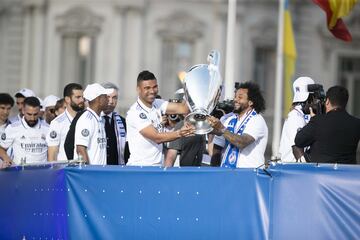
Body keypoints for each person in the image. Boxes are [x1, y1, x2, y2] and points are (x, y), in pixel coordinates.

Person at [126, 70, 194, 166]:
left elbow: (183, 109)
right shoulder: (135, 113)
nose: (152, 91)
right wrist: (179, 133)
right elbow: (157, 137)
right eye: (147, 88)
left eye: (155, 87)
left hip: (156, 167)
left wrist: (190, 86)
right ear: (138, 89)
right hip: (140, 168)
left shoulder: (157, 103)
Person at [208, 82, 268, 168]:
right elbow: (217, 149)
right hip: (227, 172)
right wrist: (214, 172)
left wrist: (221, 129)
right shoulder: (227, 119)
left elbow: (242, 142)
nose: (235, 100)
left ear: (250, 102)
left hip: (250, 174)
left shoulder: (257, 120)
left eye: (240, 97)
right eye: (235, 96)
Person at [295, 86, 360, 164]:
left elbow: (299, 141)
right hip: (347, 173)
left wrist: (313, 120)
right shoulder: (356, 123)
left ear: (327, 101)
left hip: (321, 173)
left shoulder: (318, 121)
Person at [0, 97, 49, 167]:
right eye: (29, 114)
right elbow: (1, 148)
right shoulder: (13, 128)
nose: (32, 118)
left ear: (39, 111)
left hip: (42, 173)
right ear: (23, 111)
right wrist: (7, 159)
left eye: (35, 114)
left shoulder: (47, 128)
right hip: (20, 173)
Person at [74, 83, 112, 165]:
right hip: (91, 174)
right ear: (99, 99)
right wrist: (88, 173)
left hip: (99, 173)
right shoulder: (86, 120)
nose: (108, 99)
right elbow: (80, 149)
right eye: (105, 96)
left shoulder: (100, 119)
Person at [278, 77, 314, 162]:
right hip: (293, 168)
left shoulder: (300, 114)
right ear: (309, 98)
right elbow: (297, 147)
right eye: (314, 97)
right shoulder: (296, 117)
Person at [46, 83, 84, 161]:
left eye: (82, 97)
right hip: (65, 171)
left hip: (84, 169)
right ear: (67, 99)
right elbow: (52, 153)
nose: (82, 100)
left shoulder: (87, 119)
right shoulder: (57, 123)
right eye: (78, 97)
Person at [101, 82, 130, 165]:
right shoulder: (92, 120)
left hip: (116, 169)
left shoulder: (123, 122)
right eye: (108, 97)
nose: (111, 101)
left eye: (114, 98)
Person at [0, 93, 15, 167]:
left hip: (9, 172)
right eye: (2, 108)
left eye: (8, 108)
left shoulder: (14, 128)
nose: (5, 112)